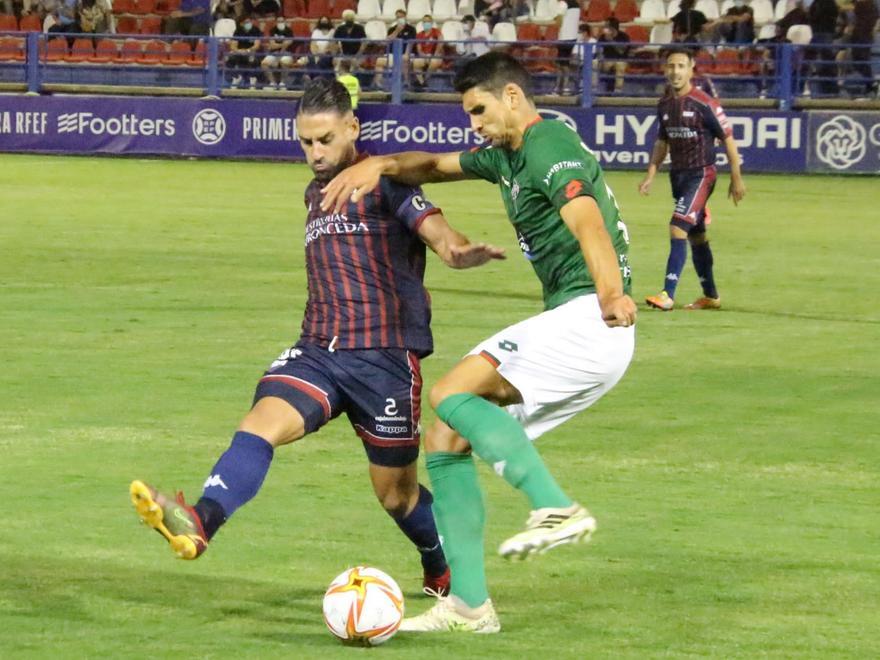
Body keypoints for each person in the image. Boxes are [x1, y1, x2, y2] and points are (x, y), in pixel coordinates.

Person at [130, 79, 507, 597]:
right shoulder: (316, 191)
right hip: (319, 349)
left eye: (325, 139)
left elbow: (437, 231)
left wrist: (457, 251)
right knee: (260, 424)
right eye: (306, 142)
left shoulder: (386, 180)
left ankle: (442, 565)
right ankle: (201, 521)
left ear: (352, 127)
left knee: (396, 497)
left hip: (384, 360)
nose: (315, 153)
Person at [321, 51, 637, 633]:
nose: (475, 125)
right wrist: (383, 165)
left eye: (480, 111)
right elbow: (437, 166)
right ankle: (469, 606)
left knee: (449, 392)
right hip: (582, 325)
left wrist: (612, 292)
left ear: (512, 96)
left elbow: (587, 218)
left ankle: (554, 506)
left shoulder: (548, 147)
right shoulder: (507, 155)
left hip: (590, 316)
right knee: (445, 436)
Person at [640, 48, 746, 312]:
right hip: (679, 177)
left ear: (691, 69)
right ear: (665, 70)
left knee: (677, 227)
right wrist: (651, 174)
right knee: (697, 237)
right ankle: (710, 296)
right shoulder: (664, 104)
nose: (675, 71)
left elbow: (728, 140)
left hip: (702, 175)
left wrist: (737, 178)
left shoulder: (704, 103)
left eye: (680, 66)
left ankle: (667, 294)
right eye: (671, 66)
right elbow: (661, 142)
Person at [373, 8, 417, 90]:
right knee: (379, 60)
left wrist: (407, 54)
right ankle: (378, 84)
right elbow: (387, 41)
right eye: (398, 17)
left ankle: (407, 83)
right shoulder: (392, 29)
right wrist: (396, 31)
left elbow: (411, 43)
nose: (400, 19)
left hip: (406, 54)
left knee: (405, 59)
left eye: (401, 17)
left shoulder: (411, 29)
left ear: (405, 17)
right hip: (392, 55)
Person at [226, 14, 263, 88]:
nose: (249, 24)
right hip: (239, 52)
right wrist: (238, 51)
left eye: (250, 22)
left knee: (253, 59)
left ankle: (252, 79)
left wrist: (248, 50)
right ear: (241, 24)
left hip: (251, 51)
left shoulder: (256, 30)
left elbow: (257, 45)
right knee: (229, 58)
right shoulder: (238, 31)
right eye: (246, 22)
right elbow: (233, 45)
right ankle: (236, 77)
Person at [596, 17, 631, 93]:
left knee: (620, 65)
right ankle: (592, 89)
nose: (604, 28)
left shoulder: (624, 36)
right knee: (594, 63)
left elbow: (621, 51)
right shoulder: (602, 37)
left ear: (612, 28)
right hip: (606, 61)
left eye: (606, 26)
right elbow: (598, 50)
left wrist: (611, 41)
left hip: (621, 60)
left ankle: (618, 90)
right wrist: (600, 57)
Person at [554, 0, 581, 94]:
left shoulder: (563, 4)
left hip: (564, 38)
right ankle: (559, 87)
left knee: (562, 65)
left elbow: (558, 22)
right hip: (573, 37)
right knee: (562, 64)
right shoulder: (577, 5)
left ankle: (564, 87)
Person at [261, 17, 295, 89]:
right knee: (264, 63)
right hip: (274, 53)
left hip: (287, 52)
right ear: (276, 22)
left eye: (282, 21)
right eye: (279, 21)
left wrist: (278, 47)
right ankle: (272, 83)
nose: (280, 23)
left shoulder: (289, 31)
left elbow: (288, 44)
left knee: (284, 61)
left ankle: (282, 83)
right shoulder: (273, 30)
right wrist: (283, 44)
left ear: (285, 22)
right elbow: (272, 45)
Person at [410, 14, 443, 89]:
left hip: (436, 56)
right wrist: (424, 56)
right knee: (416, 62)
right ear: (422, 23)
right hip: (424, 56)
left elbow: (440, 42)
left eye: (428, 21)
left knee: (434, 62)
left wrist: (434, 54)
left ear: (431, 22)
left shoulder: (436, 31)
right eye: (424, 22)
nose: (426, 23)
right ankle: (422, 83)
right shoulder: (419, 34)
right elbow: (419, 49)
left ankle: (425, 80)